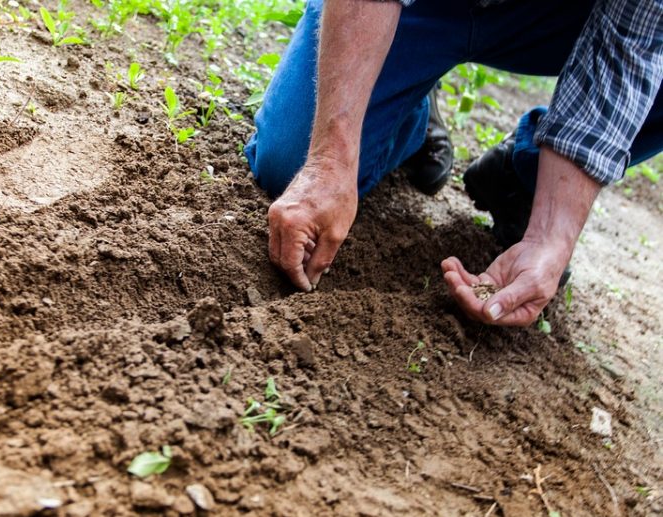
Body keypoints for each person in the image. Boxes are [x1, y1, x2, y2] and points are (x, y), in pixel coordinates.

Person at [244, 0, 663, 327]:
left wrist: (550, 237)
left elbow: (630, 46)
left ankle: (526, 178)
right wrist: (329, 160)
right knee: (289, 163)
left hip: (555, 17)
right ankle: (408, 109)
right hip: (424, 6)